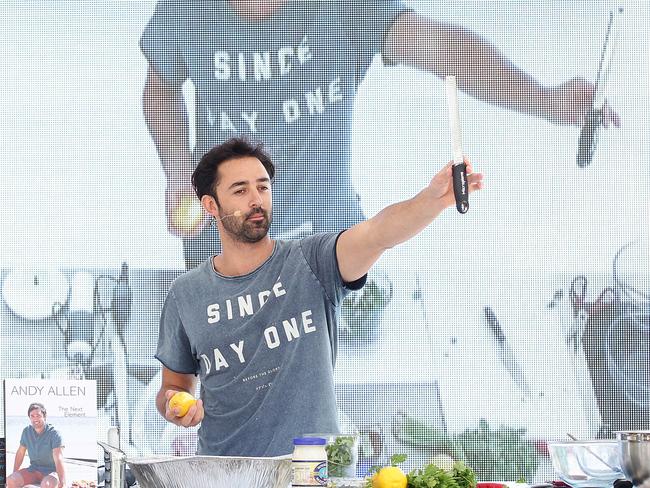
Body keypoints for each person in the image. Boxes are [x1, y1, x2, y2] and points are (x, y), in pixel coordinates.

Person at [140, 0, 618, 269]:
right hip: (224, 242)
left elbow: (447, 49)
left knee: (316, 406)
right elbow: (159, 85)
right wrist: (177, 171)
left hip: (324, 241)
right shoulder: (187, 10)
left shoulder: (346, 8)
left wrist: (546, 100)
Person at [155, 136, 484, 456]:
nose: (256, 199)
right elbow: (174, 386)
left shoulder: (312, 260)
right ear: (211, 205)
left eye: (263, 186)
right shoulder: (186, 294)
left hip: (309, 468)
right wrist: (174, 405)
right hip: (222, 471)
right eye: (240, 190)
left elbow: (378, 234)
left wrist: (431, 200)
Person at [7, 403, 66, 488]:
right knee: (10, 480)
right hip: (33, 470)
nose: (35, 418)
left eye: (38, 415)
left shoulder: (54, 434)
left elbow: (58, 458)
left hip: (51, 472)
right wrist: (14, 472)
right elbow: (20, 453)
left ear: (44, 416)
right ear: (29, 418)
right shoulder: (26, 432)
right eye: (32, 416)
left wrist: (63, 482)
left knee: (47, 485)